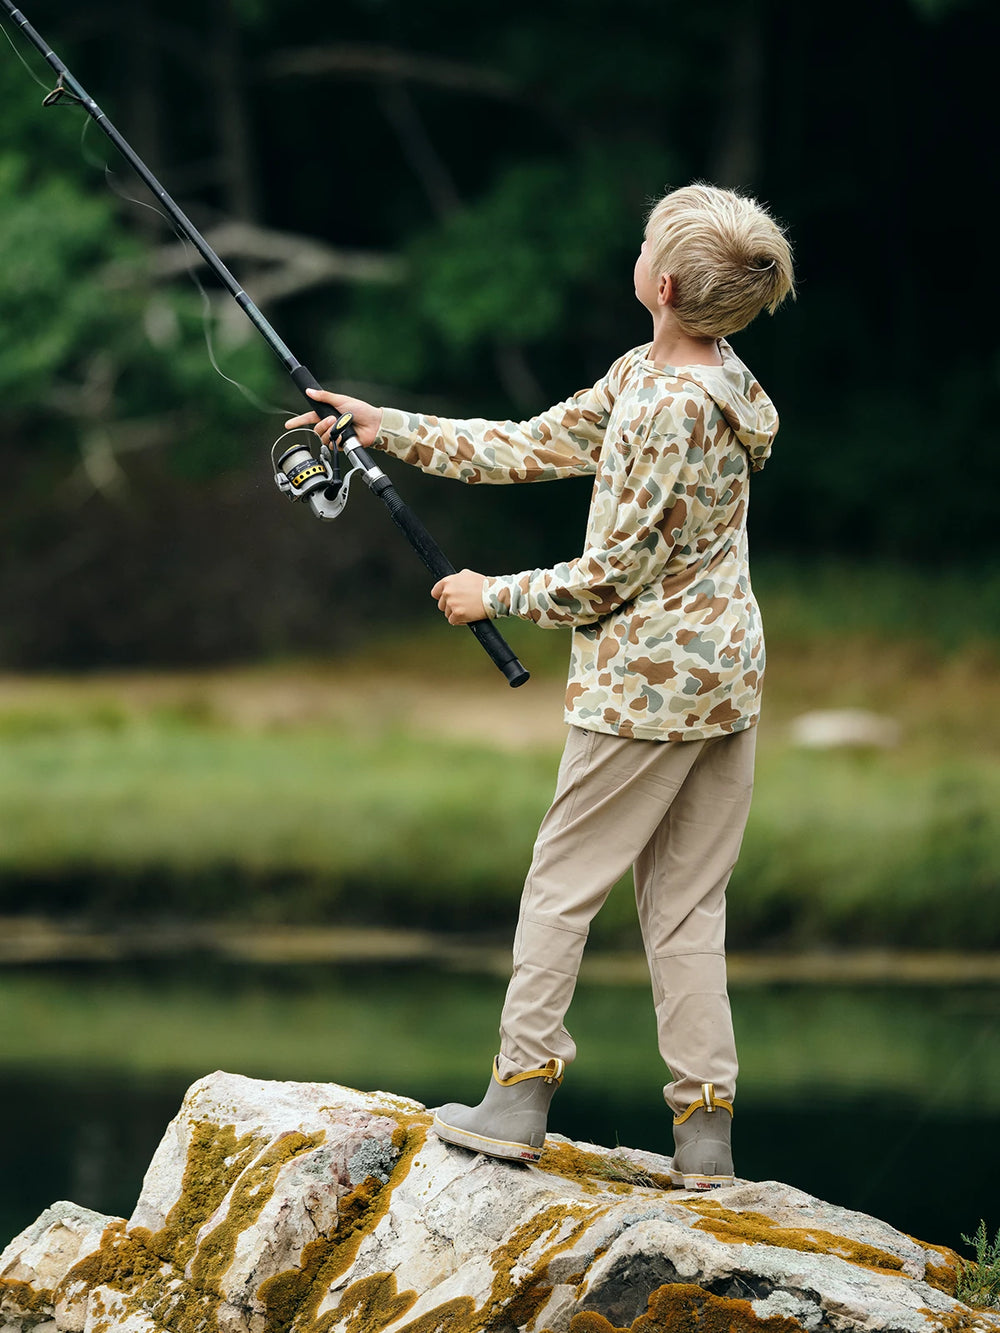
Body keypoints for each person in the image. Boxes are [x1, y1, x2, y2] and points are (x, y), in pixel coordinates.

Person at [286, 182, 795, 1189]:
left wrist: (492, 592)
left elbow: (614, 573)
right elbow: (529, 443)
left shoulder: (665, 407)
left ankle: (518, 1095)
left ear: (657, 281)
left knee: (560, 889)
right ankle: (704, 1137)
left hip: (643, 693)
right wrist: (388, 425)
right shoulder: (707, 378)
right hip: (726, 681)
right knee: (688, 910)